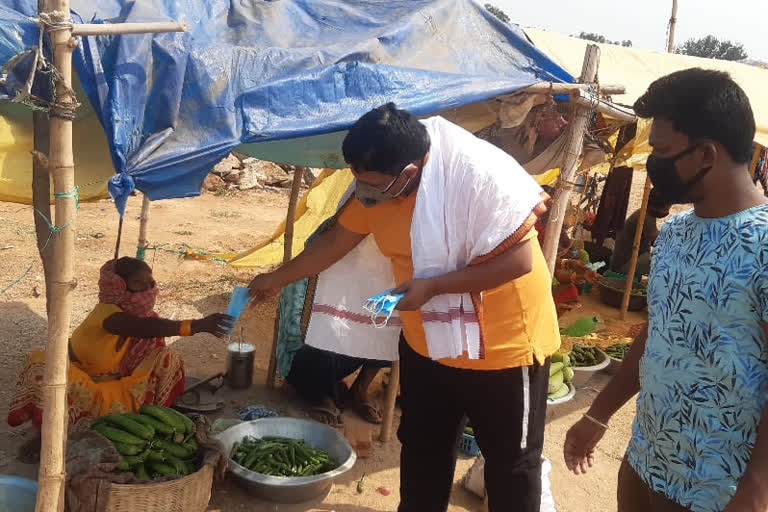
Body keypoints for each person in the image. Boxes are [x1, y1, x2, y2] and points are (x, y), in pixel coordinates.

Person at [248, 103, 560, 512]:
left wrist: (433, 287)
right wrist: (275, 279)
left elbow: (518, 261)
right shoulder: (377, 182)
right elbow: (335, 242)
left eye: (376, 186)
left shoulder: (479, 176)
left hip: (503, 347)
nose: (367, 195)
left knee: (511, 464)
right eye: (360, 182)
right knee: (423, 446)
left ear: (409, 174)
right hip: (427, 338)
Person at [563, 68, 768, 512]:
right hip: (645, 467)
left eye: (661, 152)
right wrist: (599, 413)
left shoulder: (765, 243)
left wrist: (757, 485)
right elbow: (657, 334)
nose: (653, 163)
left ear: (707, 155)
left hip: (722, 492)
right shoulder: (674, 233)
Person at [8, 257, 233, 457]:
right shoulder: (109, 314)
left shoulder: (139, 314)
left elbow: (149, 327)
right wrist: (196, 325)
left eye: (150, 283)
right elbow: (143, 328)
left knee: (167, 357)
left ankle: (162, 421)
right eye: (138, 284)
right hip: (78, 388)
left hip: (113, 384)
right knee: (42, 362)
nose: (148, 289)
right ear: (120, 286)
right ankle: (48, 434)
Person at [609, 188, 671, 276]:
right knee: (667, 262)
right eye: (668, 206)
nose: (668, 210)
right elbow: (657, 238)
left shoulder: (646, 213)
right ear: (661, 205)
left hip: (624, 262)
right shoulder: (645, 216)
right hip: (623, 266)